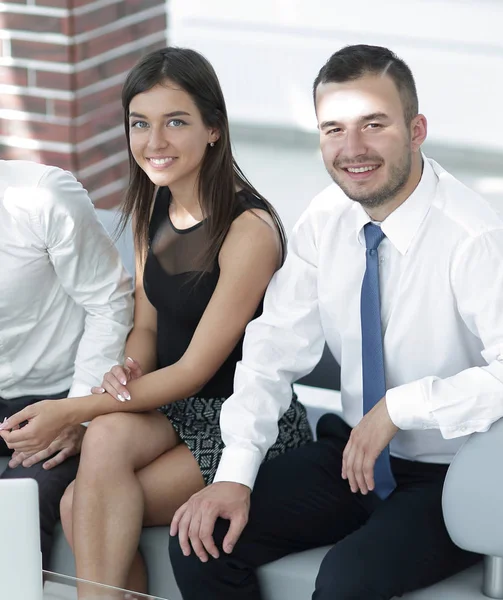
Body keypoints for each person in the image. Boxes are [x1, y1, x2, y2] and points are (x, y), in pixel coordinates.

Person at [167, 44, 503, 600]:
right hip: (352, 456)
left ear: (416, 130)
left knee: (346, 582)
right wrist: (234, 475)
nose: (352, 149)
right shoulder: (326, 219)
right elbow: (271, 350)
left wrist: (402, 406)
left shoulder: (474, 239)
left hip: (449, 474)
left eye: (374, 125)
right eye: (333, 129)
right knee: (202, 538)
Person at [0, 46, 313, 594]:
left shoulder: (249, 230)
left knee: (83, 502)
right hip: (170, 407)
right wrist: (128, 369)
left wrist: (74, 408)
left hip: (240, 416)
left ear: (213, 128)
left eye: (175, 122)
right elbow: (145, 326)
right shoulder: (152, 209)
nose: (155, 141)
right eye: (140, 124)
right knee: (108, 441)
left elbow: (195, 370)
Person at [0, 159, 133, 570]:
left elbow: (109, 303)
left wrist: (78, 415)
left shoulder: (43, 196)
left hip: (59, 395)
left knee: (11, 519)